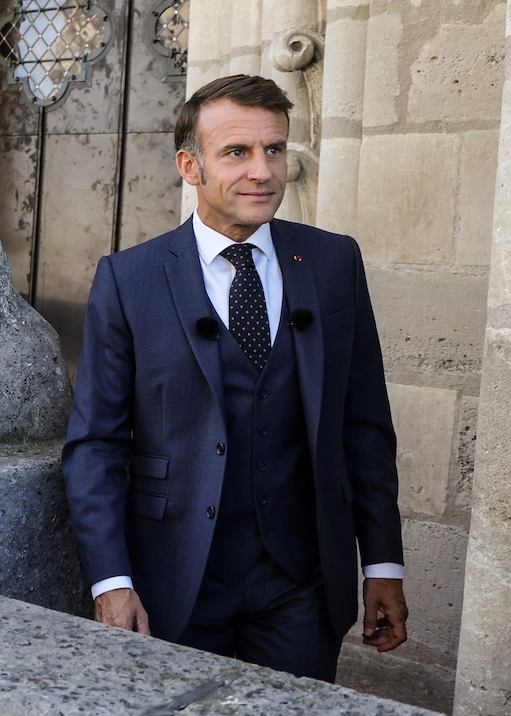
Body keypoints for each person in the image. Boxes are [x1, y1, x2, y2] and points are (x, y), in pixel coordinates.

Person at [61, 74, 408, 680]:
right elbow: (95, 444)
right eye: (237, 153)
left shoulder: (333, 263)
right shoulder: (128, 280)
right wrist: (110, 582)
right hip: (173, 581)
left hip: (301, 587)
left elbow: (364, 424)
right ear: (189, 166)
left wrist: (382, 564)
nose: (263, 171)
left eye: (275, 149)